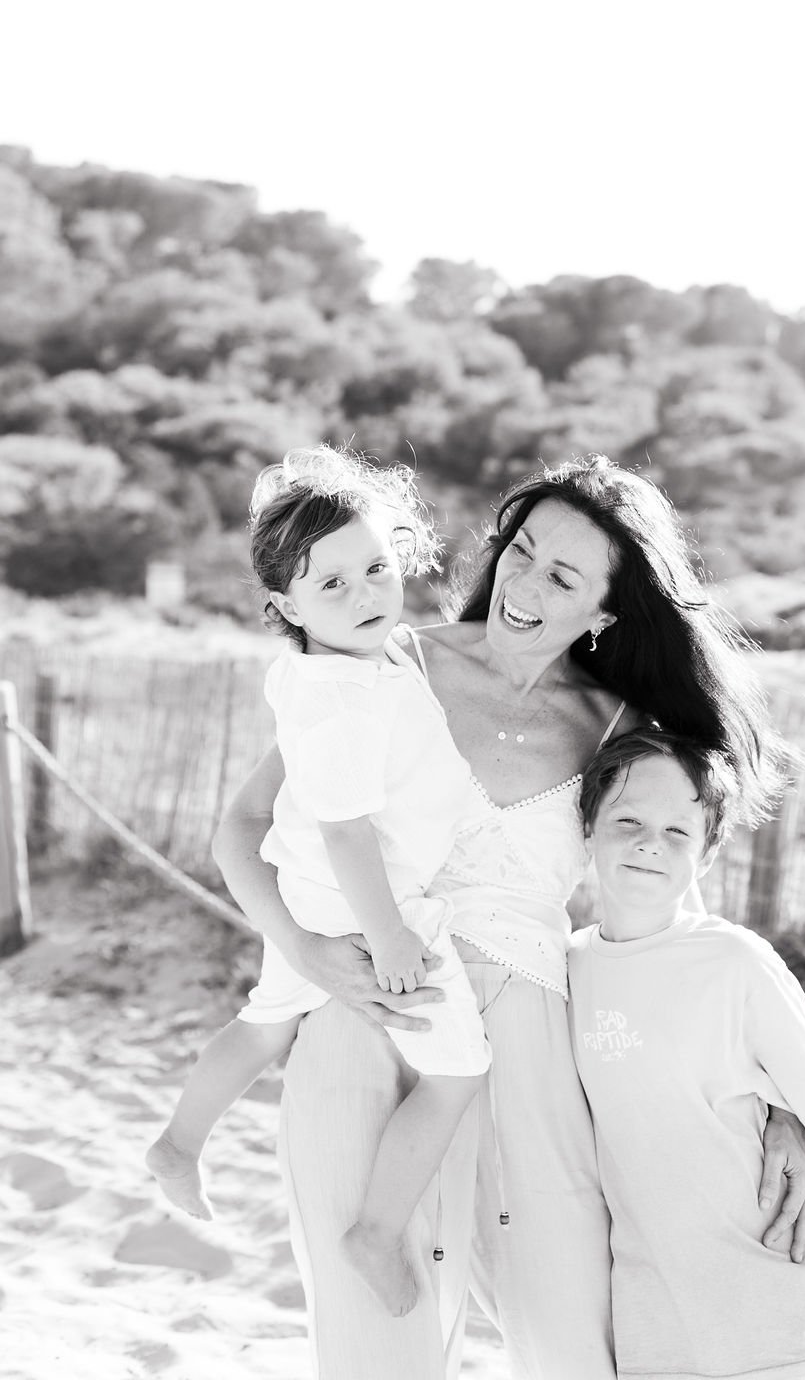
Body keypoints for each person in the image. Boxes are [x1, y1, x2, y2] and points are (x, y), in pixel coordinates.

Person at [212, 453, 805, 1380]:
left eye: (562, 575)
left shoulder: (625, 731)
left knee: (570, 1340)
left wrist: (783, 1106)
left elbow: (668, 943)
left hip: (530, 1045)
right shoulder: (385, 662)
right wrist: (303, 949)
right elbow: (245, 826)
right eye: (521, 551)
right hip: (371, 1009)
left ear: (607, 614)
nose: (522, 582)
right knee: (373, 1340)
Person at [147, 446, 490, 1318]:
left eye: (376, 568)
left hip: (308, 895)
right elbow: (345, 833)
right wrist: (391, 937)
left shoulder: (342, 666)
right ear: (283, 607)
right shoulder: (342, 698)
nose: (366, 595)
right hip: (360, 903)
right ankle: (376, 1228)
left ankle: (180, 1143)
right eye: (331, 586)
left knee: (266, 1022)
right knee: (456, 1072)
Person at [569, 726, 805, 1380]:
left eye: (679, 832)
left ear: (706, 857)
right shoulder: (569, 969)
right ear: (586, 829)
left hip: (767, 1282)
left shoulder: (736, 962)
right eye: (627, 819)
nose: (651, 842)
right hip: (653, 1306)